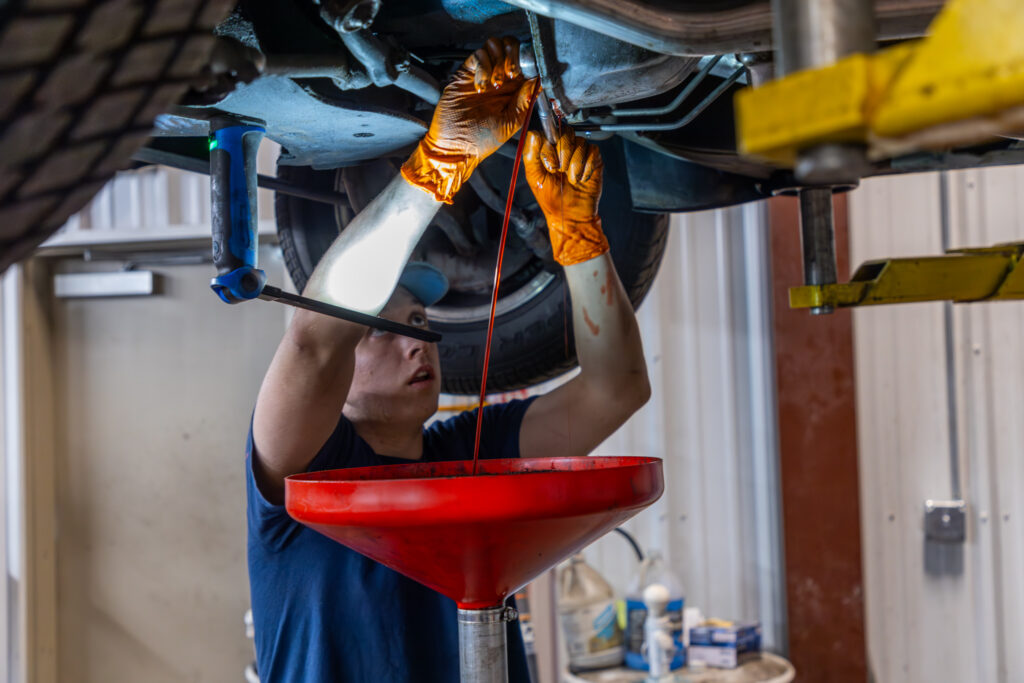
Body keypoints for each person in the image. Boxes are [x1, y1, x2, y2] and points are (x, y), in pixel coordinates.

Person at [246, 37, 651, 683]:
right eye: (385, 330)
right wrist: (440, 163)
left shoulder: (464, 455)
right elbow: (314, 341)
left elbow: (617, 389)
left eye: (420, 324)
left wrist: (580, 240)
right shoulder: (305, 471)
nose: (419, 341)